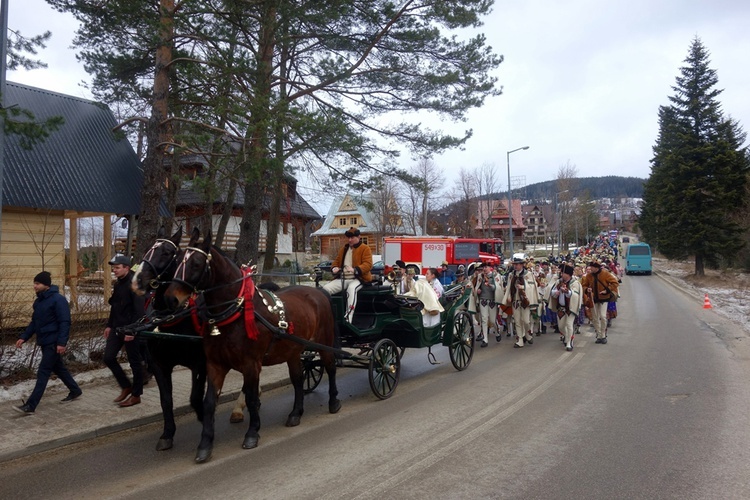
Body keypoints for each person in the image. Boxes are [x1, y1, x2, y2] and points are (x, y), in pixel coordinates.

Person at [13, 271, 82, 415]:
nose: (34, 286)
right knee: (59, 368)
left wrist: (62, 342)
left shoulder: (58, 300)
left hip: (54, 341)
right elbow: (34, 323)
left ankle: (31, 405)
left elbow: (65, 322)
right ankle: (75, 390)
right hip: (44, 341)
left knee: (43, 372)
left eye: (37, 283)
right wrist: (24, 337)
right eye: (34, 283)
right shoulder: (39, 302)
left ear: (46, 285)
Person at [104, 255, 147, 407]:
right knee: (108, 358)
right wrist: (109, 325)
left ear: (126, 268)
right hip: (117, 327)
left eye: (117, 267)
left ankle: (136, 395)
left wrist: (132, 331)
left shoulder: (135, 284)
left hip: (131, 330)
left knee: (135, 363)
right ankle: (126, 386)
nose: (114, 270)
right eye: (113, 268)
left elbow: (139, 311)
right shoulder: (118, 284)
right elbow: (115, 306)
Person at [322, 227, 373, 323]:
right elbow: (336, 262)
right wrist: (334, 268)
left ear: (359, 237)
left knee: (351, 289)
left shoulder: (365, 249)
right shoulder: (344, 249)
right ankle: (328, 316)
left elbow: (368, 265)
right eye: (348, 238)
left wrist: (355, 270)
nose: (349, 240)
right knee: (325, 290)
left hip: (359, 278)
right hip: (343, 278)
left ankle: (348, 318)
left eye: (352, 238)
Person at [502, 256, 540, 348]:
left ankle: (527, 334)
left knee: (526, 321)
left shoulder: (528, 274)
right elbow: (509, 287)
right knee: (517, 321)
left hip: (524, 301)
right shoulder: (511, 275)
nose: (515, 266)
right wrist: (509, 296)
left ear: (522, 265)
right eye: (514, 264)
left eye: (517, 264)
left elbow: (532, 286)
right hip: (515, 301)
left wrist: (523, 287)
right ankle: (520, 340)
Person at [580, 260, 619, 344]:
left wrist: (607, 290)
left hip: (604, 299)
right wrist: (587, 289)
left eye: (592, 267)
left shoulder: (605, 274)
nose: (590, 268)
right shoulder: (589, 276)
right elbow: (584, 285)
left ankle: (603, 334)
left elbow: (615, 283)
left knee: (603, 316)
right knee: (595, 318)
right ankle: (599, 334)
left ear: (596, 268)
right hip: (593, 299)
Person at [549, 263, 582, 351]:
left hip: (571, 308)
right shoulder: (559, 282)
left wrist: (567, 291)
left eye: (563, 273)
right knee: (561, 326)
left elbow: (575, 295)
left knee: (569, 324)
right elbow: (552, 291)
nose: (561, 274)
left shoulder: (575, 283)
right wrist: (556, 293)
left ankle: (569, 342)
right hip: (561, 308)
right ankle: (567, 336)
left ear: (568, 274)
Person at [473, 263, 497, 347]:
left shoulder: (495, 276)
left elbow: (496, 288)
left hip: (492, 301)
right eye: (483, 267)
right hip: (483, 299)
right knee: (484, 319)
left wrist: (490, 285)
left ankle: (497, 332)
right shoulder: (480, 277)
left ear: (490, 268)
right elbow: (476, 286)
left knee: (493, 321)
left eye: (486, 267)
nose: (484, 268)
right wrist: (478, 290)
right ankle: (485, 339)